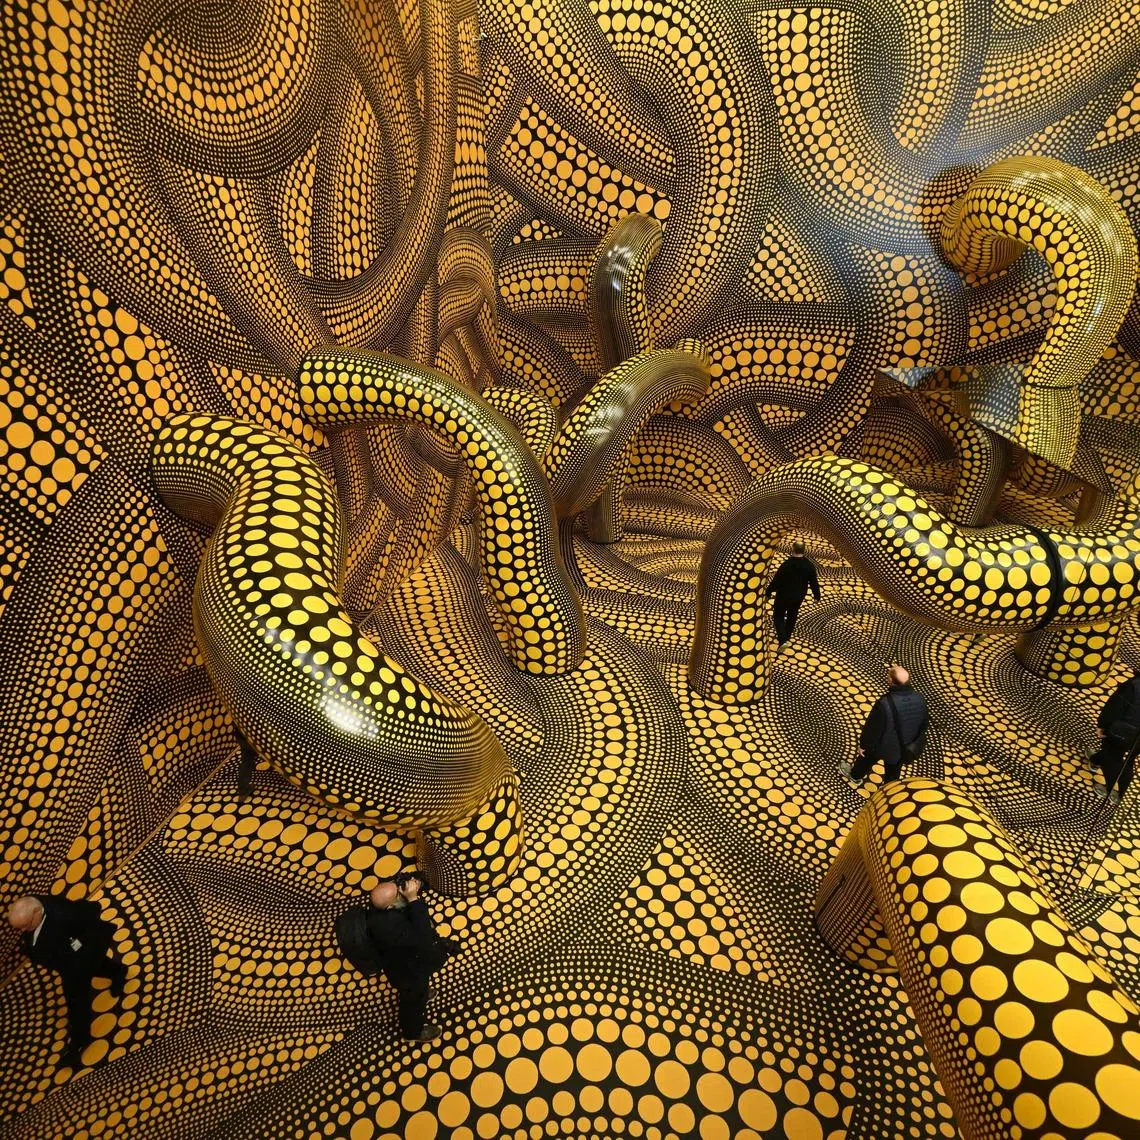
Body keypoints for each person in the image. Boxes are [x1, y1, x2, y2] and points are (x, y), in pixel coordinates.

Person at [6, 894, 128, 1070]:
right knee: (97, 966)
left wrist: (79, 949)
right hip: (67, 959)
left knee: (77, 1002)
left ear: (36, 911)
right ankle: (118, 971)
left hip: (74, 964)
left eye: (25, 925)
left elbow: (90, 911)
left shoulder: (65, 915)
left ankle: (81, 1039)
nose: (23, 930)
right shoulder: (36, 908)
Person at [364, 871, 460, 1043]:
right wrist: (413, 899)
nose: (402, 891)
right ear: (390, 906)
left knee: (418, 989)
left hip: (406, 964)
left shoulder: (378, 910)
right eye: (398, 893)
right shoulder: (392, 930)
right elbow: (422, 935)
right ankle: (413, 1032)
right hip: (408, 973)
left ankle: (422, 992)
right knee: (412, 1003)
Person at [840, 665, 928, 787]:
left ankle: (855, 776)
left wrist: (864, 745)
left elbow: (873, 729)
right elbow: (924, 724)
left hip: (881, 745)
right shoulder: (920, 699)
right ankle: (889, 792)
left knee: (865, 760)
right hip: (903, 747)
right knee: (893, 773)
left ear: (891, 681)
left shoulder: (885, 703)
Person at [1088, 669, 1140, 806]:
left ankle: (1112, 790)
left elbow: (1114, 707)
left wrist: (1102, 725)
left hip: (1122, 730)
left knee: (1113, 756)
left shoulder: (1134, 685)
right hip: (1138, 739)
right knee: (1129, 758)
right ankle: (1095, 760)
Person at [765, 541, 821, 646]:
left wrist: (768, 592)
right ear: (804, 550)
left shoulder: (786, 565)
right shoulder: (809, 565)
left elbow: (777, 580)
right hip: (799, 596)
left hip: (783, 595)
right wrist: (817, 596)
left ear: (793, 549)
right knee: (792, 615)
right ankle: (787, 636)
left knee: (778, 615)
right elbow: (814, 582)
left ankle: (783, 640)